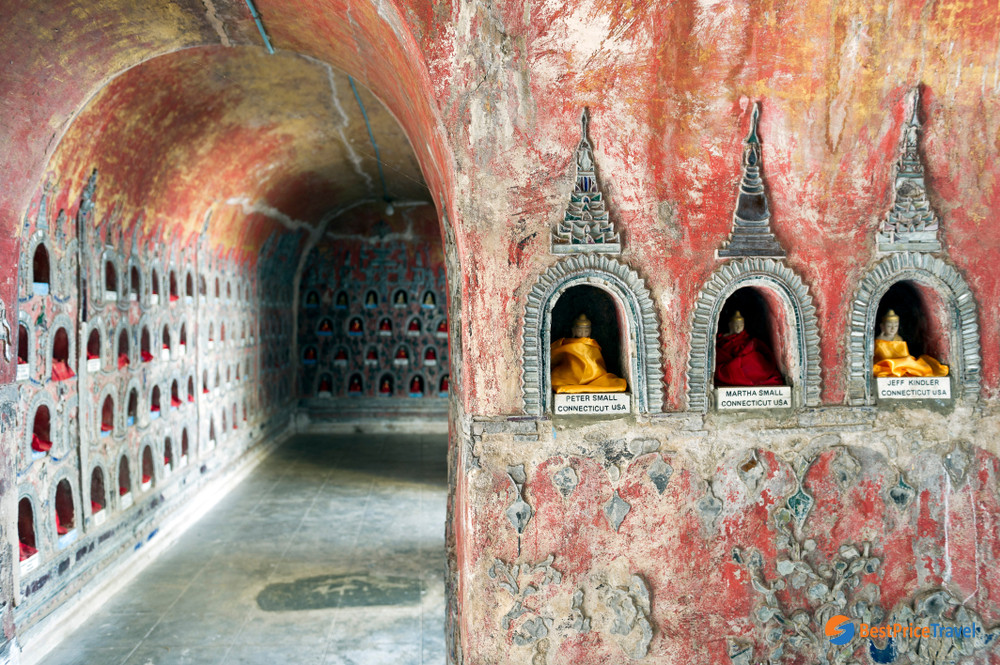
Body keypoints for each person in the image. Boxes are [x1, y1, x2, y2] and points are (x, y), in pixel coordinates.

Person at [550, 314, 626, 393]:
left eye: (586, 331)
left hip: (593, 377)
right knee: (556, 380)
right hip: (569, 374)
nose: (583, 333)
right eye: (580, 331)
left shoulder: (592, 345)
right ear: (573, 330)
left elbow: (596, 363)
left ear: (590, 331)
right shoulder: (566, 344)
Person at [714, 311, 783, 387]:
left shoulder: (748, 339)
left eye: (741, 324)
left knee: (757, 360)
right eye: (736, 324)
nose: (739, 327)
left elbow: (757, 349)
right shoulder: (723, 341)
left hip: (746, 365)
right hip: (732, 367)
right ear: (730, 325)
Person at [872, 309, 948, 377]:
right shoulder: (879, 340)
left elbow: (904, 355)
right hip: (884, 366)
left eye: (895, 326)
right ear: (882, 327)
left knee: (916, 365)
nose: (893, 329)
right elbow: (877, 357)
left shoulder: (899, 339)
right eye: (889, 326)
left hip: (902, 364)